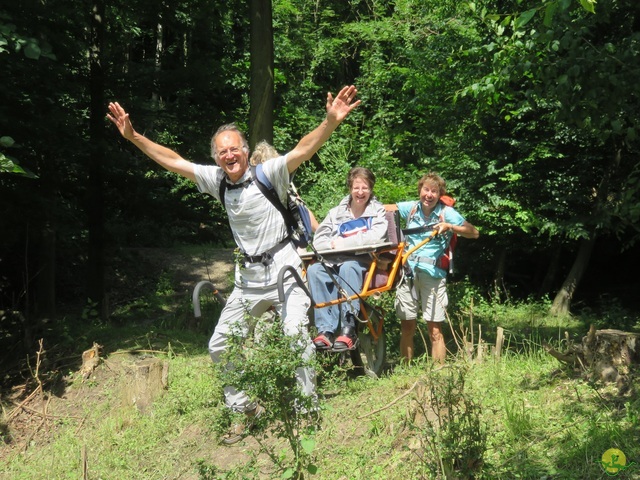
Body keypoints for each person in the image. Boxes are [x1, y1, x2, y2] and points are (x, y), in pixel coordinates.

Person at [106, 85, 361, 444]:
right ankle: (246, 409)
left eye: (234, 149)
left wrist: (330, 122)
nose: (229, 156)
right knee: (220, 345)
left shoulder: (268, 173)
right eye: (222, 152)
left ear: (245, 151)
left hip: (286, 267)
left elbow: (304, 148)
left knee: (293, 335)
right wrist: (134, 137)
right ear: (218, 157)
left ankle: (307, 409)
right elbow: (173, 160)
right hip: (249, 278)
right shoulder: (217, 182)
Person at [393, 172, 479, 364]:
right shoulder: (411, 208)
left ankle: (438, 374)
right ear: (420, 190)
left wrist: (450, 226)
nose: (429, 195)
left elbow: (474, 232)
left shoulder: (446, 213)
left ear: (440, 194)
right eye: (426, 190)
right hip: (407, 273)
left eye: (434, 191)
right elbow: (384, 209)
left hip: (433, 275)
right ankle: (405, 370)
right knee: (407, 325)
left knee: (434, 329)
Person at [307, 167, 388, 352]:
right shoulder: (336, 213)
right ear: (350, 188)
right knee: (314, 270)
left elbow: (376, 236)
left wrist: (343, 243)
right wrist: (332, 246)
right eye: (356, 188)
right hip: (334, 260)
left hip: (362, 261)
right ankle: (325, 330)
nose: (360, 193)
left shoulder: (377, 211)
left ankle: (348, 327)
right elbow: (319, 239)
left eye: (365, 188)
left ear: (371, 189)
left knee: (349, 267)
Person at [249, 140, 320, 234]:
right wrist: (321, 232)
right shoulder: (281, 182)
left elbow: (300, 206)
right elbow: (302, 207)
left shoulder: (252, 186)